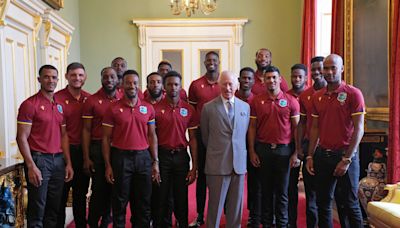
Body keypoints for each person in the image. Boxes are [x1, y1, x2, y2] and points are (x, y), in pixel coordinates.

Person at [306, 54, 365, 228]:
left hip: (346, 156)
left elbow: (359, 129)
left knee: (350, 203)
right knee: (323, 204)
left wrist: (346, 160)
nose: (329, 72)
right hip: (323, 155)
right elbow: (314, 128)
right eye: (326, 68)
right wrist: (310, 156)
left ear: (342, 69)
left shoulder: (353, 94)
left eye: (333, 68)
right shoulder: (317, 96)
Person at [16, 65, 74, 227]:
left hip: (58, 161)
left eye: (54, 77)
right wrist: (31, 165)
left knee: (53, 209)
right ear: (39, 79)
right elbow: (21, 137)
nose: (51, 80)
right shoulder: (29, 104)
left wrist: (68, 163)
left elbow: (64, 136)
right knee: (37, 209)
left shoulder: (59, 105)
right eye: (47, 77)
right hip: (40, 161)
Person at [102, 70, 160, 228]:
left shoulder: (148, 108)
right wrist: (108, 165)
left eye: (135, 83)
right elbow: (106, 138)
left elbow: (152, 136)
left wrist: (155, 162)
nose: (132, 86)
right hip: (121, 158)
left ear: (139, 85)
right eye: (128, 83)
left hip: (143, 158)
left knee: (143, 202)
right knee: (119, 202)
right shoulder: (112, 109)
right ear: (122, 85)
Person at [248, 66, 300, 227]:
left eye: (274, 77)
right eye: (268, 78)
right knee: (265, 192)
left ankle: (282, 224)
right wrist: (252, 151)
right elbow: (252, 127)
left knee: (283, 193)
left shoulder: (291, 101)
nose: (271, 80)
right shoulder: (256, 101)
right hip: (263, 151)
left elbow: (297, 129)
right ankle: (267, 224)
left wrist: (296, 153)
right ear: (263, 80)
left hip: (284, 152)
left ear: (280, 79)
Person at [200, 71, 250, 228]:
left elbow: (244, 134)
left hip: (238, 165)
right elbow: (205, 137)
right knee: (215, 207)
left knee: (236, 208)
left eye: (231, 84)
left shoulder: (245, 107)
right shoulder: (208, 108)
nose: (227, 88)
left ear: (237, 85)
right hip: (217, 165)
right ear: (219, 85)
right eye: (224, 84)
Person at [155, 71, 198, 227]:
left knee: (181, 197)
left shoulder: (188, 110)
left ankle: (182, 224)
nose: (173, 88)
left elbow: (193, 139)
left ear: (181, 88)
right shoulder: (155, 109)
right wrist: (154, 162)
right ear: (164, 87)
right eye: (169, 84)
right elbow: (151, 138)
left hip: (181, 157)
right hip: (162, 157)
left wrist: (194, 167)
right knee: (161, 197)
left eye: (176, 85)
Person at [82, 67, 121, 227]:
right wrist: (86, 157)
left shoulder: (122, 99)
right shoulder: (91, 100)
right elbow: (86, 130)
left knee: (114, 190)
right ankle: (92, 222)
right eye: (105, 77)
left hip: (118, 149)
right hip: (97, 149)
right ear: (101, 79)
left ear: (117, 79)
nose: (109, 80)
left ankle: (106, 220)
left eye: (112, 77)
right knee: (99, 190)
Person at [56, 62, 91, 228]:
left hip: (83, 153)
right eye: (73, 75)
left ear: (85, 77)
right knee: (60, 197)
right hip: (61, 154)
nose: (77, 78)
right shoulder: (56, 98)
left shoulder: (89, 99)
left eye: (80, 75)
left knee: (80, 195)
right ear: (66, 76)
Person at [188, 51, 221, 227]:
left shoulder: (224, 83)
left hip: (222, 136)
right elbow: (192, 112)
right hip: (202, 135)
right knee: (202, 176)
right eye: (208, 60)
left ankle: (223, 214)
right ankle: (200, 214)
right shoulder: (195, 85)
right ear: (204, 63)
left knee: (222, 175)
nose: (211, 63)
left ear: (219, 62)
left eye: (214, 60)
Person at [297, 56, 327, 228]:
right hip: (310, 147)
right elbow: (301, 123)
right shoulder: (306, 95)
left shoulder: (337, 93)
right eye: (313, 69)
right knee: (311, 195)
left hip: (329, 148)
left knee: (328, 196)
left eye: (320, 68)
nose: (317, 72)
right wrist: (300, 146)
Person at [234, 67, 259, 227]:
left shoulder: (257, 100)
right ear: (239, 80)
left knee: (254, 183)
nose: (246, 81)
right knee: (233, 182)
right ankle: (231, 213)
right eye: (243, 78)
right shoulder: (231, 98)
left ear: (253, 81)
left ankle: (253, 214)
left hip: (253, 147)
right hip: (234, 147)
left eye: (249, 78)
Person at [286, 63, 308, 228]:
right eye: (294, 76)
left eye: (300, 76)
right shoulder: (286, 97)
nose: (297, 79)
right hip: (291, 148)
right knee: (290, 188)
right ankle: (290, 223)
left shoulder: (312, 95)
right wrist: (295, 151)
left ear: (305, 78)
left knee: (312, 191)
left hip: (311, 147)